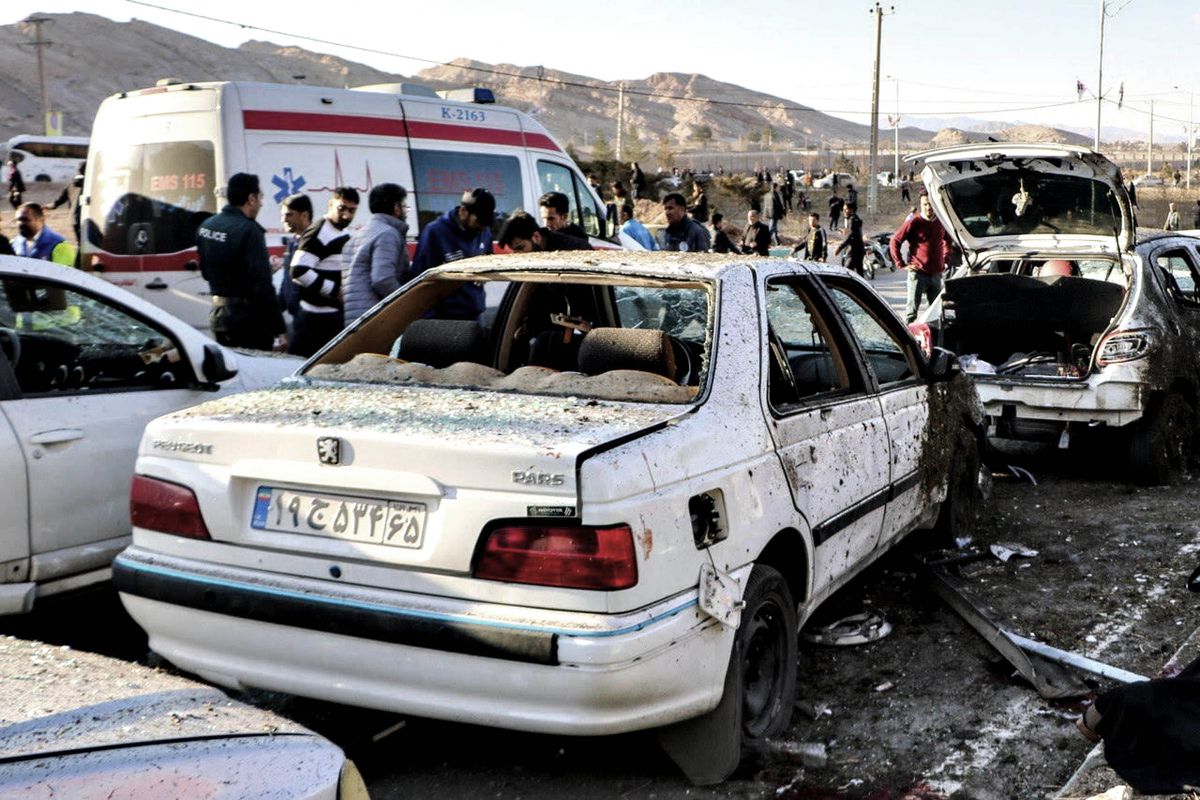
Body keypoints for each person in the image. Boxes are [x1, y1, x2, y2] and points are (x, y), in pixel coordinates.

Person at [196, 172, 286, 351]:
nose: (261, 203)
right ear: (251, 198)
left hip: (219, 316)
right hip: (249, 322)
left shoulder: (207, 225)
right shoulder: (249, 230)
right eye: (260, 197)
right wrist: (280, 329)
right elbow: (263, 286)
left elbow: (207, 272)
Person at [286, 187, 358, 356]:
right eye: (342, 208)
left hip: (333, 316)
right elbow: (298, 270)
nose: (346, 215)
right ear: (331, 204)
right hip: (315, 319)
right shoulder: (318, 231)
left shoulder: (343, 231)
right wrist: (334, 290)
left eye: (352, 210)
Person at [411, 187, 495, 319]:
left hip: (475, 313)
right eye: (478, 222)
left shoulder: (484, 231)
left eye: (486, 224)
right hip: (444, 317)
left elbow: (490, 259)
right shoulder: (435, 232)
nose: (482, 228)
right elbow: (419, 279)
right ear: (463, 211)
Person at [343, 183, 411, 325]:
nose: (405, 211)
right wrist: (406, 303)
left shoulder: (357, 236)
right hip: (376, 319)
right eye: (405, 207)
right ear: (396, 208)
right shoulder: (387, 234)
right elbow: (382, 279)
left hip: (354, 319)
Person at [890, 190, 955, 323]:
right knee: (911, 313)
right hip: (918, 273)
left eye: (930, 204)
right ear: (921, 205)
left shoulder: (941, 222)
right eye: (925, 204)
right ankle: (906, 340)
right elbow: (895, 241)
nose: (928, 207)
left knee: (936, 314)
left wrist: (946, 259)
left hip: (936, 274)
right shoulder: (914, 222)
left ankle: (933, 341)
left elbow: (948, 241)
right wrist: (901, 264)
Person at [276, 192, 313, 337]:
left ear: (304, 215)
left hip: (311, 318)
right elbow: (287, 282)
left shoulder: (315, 243)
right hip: (298, 318)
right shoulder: (292, 243)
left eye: (289, 215)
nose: (283, 219)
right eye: (283, 215)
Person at [498, 211, 593, 252]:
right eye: (515, 251)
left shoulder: (573, 249)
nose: (518, 254)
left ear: (536, 237)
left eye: (521, 248)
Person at [49, 161, 85, 247]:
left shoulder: (71, 185)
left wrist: (50, 206)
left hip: (74, 218)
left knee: (80, 244)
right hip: (87, 218)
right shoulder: (91, 185)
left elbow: (59, 201)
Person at [834, 201, 865, 276]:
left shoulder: (852, 219)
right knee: (859, 273)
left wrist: (840, 247)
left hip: (854, 251)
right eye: (843, 209)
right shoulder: (854, 218)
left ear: (851, 209)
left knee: (847, 273)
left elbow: (851, 236)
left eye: (846, 209)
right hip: (858, 250)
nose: (844, 211)